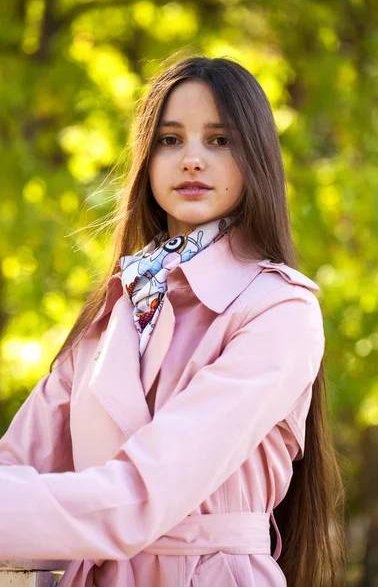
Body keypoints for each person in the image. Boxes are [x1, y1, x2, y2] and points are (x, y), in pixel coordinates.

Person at [0, 54, 347, 586]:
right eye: (169, 140)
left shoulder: (280, 310)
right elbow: (16, 463)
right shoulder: (117, 308)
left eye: (219, 140)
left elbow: (144, 494)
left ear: (255, 156)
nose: (191, 159)